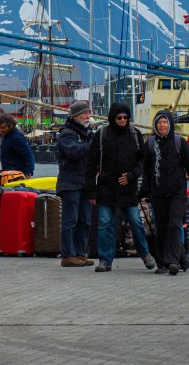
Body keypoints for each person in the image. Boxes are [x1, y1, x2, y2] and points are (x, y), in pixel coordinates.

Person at [87, 102, 156, 273]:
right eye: (119, 117)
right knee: (105, 224)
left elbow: (143, 160)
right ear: (113, 118)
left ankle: (145, 254)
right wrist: (91, 191)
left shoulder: (135, 134)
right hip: (106, 187)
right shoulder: (102, 135)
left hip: (128, 188)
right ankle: (105, 260)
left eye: (126, 117)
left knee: (136, 222)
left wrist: (132, 175)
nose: (123, 120)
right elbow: (90, 164)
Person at [141, 110, 189, 275]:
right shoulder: (150, 143)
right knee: (161, 227)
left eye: (165, 122)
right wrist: (143, 191)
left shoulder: (179, 142)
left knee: (174, 225)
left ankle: (173, 261)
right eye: (159, 122)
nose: (162, 125)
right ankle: (162, 262)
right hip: (158, 191)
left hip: (177, 191)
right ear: (155, 125)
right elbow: (147, 170)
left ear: (170, 124)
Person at [56, 101, 95, 267]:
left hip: (85, 182)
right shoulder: (67, 134)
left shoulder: (87, 133)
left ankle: (80, 253)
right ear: (75, 116)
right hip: (70, 182)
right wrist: (91, 145)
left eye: (88, 113)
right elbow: (74, 152)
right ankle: (68, 255)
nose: (88, 117)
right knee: (70, 220)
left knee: (85, 220)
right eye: (84, 114)